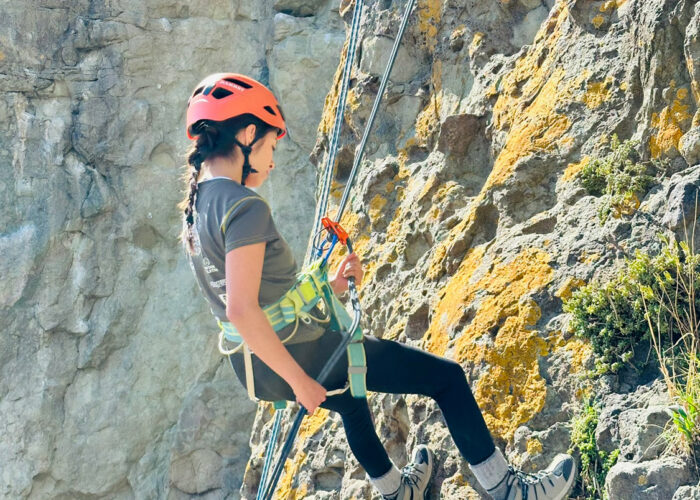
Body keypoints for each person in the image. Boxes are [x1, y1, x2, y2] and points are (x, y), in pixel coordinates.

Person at [179, 73, 576, 500]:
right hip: (300, 355)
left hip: (254, 366)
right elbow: (243, 309)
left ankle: (396, 492)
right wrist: (299, 381)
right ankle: (509, 490)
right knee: (446, 379)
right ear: (248, 133)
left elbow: (255, 299)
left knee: (351, 401)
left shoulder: (197, 205)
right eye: (271, 146)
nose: (272, 160)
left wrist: (329, 287)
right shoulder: (243, 206)